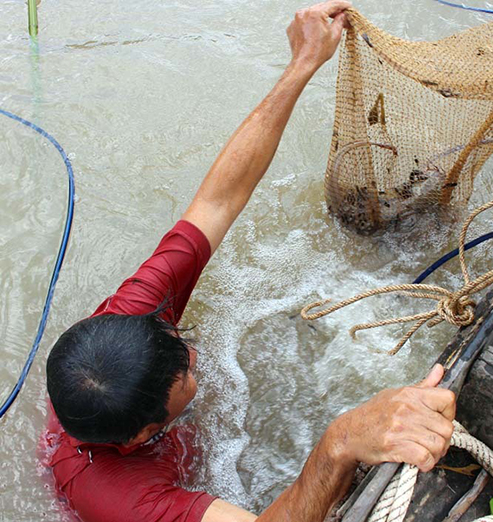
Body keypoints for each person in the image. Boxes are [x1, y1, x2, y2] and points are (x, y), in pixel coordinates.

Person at [42, 2, 457, 521]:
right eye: (187, 375)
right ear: (149, 434)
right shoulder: (120, 498)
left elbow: (217, 200)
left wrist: (302, 63)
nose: (194, 357)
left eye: (180, 345)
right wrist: (341, 439)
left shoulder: (126, 317)